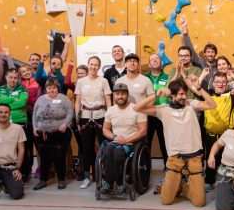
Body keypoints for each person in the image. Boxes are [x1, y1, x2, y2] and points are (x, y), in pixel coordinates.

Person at [134, 79, 216, 207]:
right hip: (175, 158)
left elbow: (212, 105)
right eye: (181, 94)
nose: (184, 97)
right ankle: (176, 184)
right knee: (166, 201)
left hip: (194, 157)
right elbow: (137, 107)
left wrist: (200, 90)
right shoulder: (163, 110)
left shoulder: (191, 105)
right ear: (172, 95)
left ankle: (182, 187)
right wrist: (156, 95)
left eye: (185, 94)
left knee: (199, 202)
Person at [101, 83, 148, 195]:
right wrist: (115, 137)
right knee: (108, 150)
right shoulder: (110, 110)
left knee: (118, 152)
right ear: (114, 95)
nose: (120, 96)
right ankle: (109, 182)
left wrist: (127, 140)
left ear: (127, 95)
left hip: (131, 143)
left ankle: (118, 183)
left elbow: (143, 130)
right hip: (116, 140)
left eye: (123, 94)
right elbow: (105, 129)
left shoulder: (137, 109)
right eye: (117, 94)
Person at [74, 56, 112, 189]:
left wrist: (109, 117)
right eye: (91, 64)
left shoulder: (104, 81)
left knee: (103, 147)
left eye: (96, 65)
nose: (93, 67)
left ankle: (101, 175)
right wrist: (77, 118)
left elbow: (108, 100)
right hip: (85, 117)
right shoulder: (81, 82)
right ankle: (86, 176)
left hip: (101, 116)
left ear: (99, 66)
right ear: (88, 65)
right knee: (86, 148)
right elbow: (78, 100)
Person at [32, 79, 74, 190]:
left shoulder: (63, 98)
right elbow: (34, 114)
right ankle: (43, 180)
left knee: (59, 157)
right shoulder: (40, 99)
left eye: (54, 87)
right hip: (42, 134)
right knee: (44, 158)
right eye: (49, 87)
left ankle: (61, 179)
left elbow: (70, 112)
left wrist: (65, 124)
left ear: (57, 88)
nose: (52, 90)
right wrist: (35, 126)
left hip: (59, 133)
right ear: (46, 88)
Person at [0, 68, 32, 182]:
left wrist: (5, 102)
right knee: (6, 148)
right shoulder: (0, 89)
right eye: (10, 77)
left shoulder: (22, 89)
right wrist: (13, 99)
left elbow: (22, 102)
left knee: (21, 149)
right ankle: (5, 173)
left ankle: (24, 173)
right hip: (3, 124)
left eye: (15, 78)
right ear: (6, 77)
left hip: (19, 123)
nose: (13, 80)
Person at [203, 72, 234, 189]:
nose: (220, 84)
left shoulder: (232, 95)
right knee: (210, 158)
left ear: (227, 83)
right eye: (218, 82)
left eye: (223, 82)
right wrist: (202, 75)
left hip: (227, 135)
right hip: (210, 134)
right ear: (213, 83)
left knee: (226, 161)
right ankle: (209, 182)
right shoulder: (207, 94)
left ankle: (225, 182)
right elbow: (196, 87)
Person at [144, 53, 169, 168]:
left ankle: (168, 166)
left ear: (161, 63)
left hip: (163, 114)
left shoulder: (168, 77)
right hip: (147, 114)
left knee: (165, 142)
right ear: (149, 64)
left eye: (157, 59)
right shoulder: (144, 78)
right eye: (152, 60)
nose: (155, 61)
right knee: (146, 142)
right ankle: (146, 167)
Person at [180, 17, 217, 89]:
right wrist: (185, 34)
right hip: (202, 93)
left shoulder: (219, 65)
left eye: (212, 52)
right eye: (208, 52)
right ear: (205, 54)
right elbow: (191, 50)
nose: (210, 54)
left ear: (215, 54)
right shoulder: (200, 63)